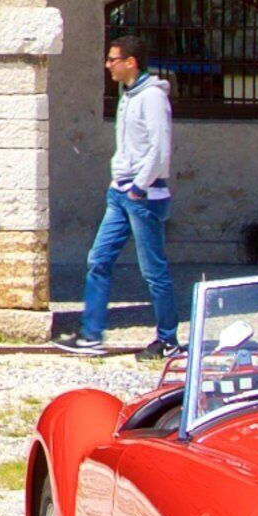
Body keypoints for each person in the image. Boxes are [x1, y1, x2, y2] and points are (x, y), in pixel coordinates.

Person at [71, 34, 181, 359]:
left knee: (153, 270)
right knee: (98, 259)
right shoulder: (127, 95)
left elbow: (159, 149)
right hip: (120, 192)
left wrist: (138, 187)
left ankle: (168, 339)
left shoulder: (152, 98)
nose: (108, 65)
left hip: (143, 195)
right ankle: (90, 335)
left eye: (113, 59)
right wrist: (119, 182)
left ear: (130, 62)